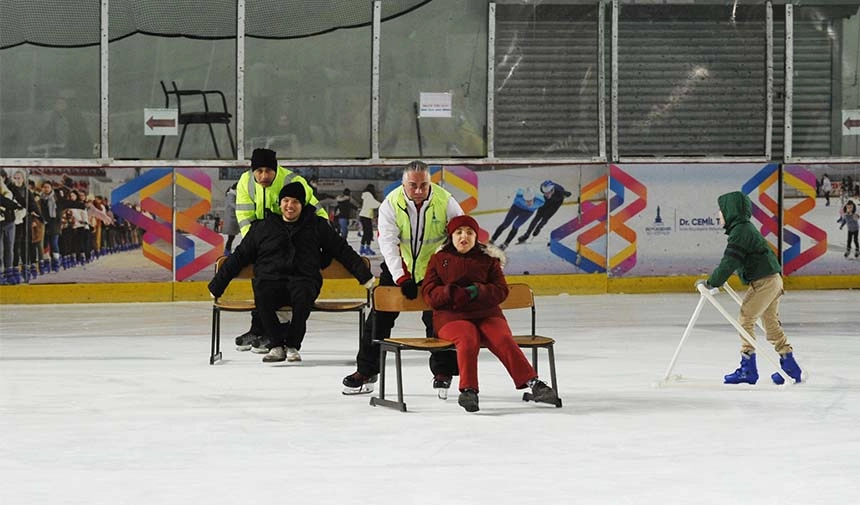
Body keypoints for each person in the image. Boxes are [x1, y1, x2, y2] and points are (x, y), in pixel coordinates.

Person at [208, 182, 375, 363]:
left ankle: (293, 345)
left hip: (303, 279)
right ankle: (276, 346)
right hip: (271, 280)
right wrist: (218, 284)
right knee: (262, 292)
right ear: (280, 204)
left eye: (295, 201)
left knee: (303, 295)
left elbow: (342, 250)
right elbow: (239, 256)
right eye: (286, 201)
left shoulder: (316, 225)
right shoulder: (263, 227)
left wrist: (364, 276)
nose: (290, 205)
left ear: (302, 205)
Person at [342, 160, 462, 395]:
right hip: (399, 270)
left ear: (430, 182)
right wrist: (401, 278)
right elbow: (387, 243)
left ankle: (443, 371)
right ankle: (367, 370)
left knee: (440, 320)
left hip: (434, 271)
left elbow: (460, 231)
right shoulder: (391, 203)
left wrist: (446, 266)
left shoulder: (445, 200)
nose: (418, 190)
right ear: (404, 183)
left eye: (424, 185)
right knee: (378, 321)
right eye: (413, 185)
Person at [421, 215, 559, 412]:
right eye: (459, 232)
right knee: (467, 339)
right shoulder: (438, 260)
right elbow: (429, 293)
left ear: (476, 237)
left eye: (469, 233)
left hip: (487, 314)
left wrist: (478, 290)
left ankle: (533, 383)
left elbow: (501, 290)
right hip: (451, 317)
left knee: (502, 338)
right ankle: (468, 390)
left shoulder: (488, 260)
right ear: (451, 236)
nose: (464, 237)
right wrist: (451, 292)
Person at [697, 191, 802, 385]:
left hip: (764, 282)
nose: (718, 214)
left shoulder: (740, 232)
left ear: (730, 211)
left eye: (721, 210)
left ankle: (748, 368)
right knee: (770, 323)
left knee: (745, 319)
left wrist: (712, 282)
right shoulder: (744, 229)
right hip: (773, 280)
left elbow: (729, 261)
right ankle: (790, 365)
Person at [233, 148, 329, 352]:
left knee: (280, 283)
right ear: (253, 171)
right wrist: (256, 246)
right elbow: (244, 215)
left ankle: (273, 333)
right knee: (262, 283)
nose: (264, 176)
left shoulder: (291, 181)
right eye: (259, 171)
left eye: (269, 171)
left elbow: (315, 212)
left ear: (276, 169)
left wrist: (320, 243)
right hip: (264, 241)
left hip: (292, 241)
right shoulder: (246, 182)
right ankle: (259, 329)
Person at [517, 179, 572, 244]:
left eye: (548, 193)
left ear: (552, 190)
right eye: (545, 193)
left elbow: (569, 194)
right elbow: (545, 193)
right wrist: (547, 195)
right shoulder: (543, 188)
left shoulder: (560, 192)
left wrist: (539, 227)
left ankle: (539, 228)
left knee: (545, 217)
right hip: (546, 201)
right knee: (537, 217)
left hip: (556, 203)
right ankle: (526, 234)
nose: (546, 194)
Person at [358, 184, 380, 255]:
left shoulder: (366, 195)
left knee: (367, 233)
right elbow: (372, 204)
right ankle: (366, 248)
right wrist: (381, 204)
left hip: (365, 216)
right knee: (368, 233)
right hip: (365, 216)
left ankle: (362, 248)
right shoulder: (368, 195)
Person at [222, 182, 240, 255]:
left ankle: (227, 251)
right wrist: (240, 208)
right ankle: (227, 252)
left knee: (231, 237)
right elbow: (232, 204)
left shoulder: (232, 194)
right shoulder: (231, 194)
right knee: (231, 237)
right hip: (231, 218)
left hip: (232, 218)